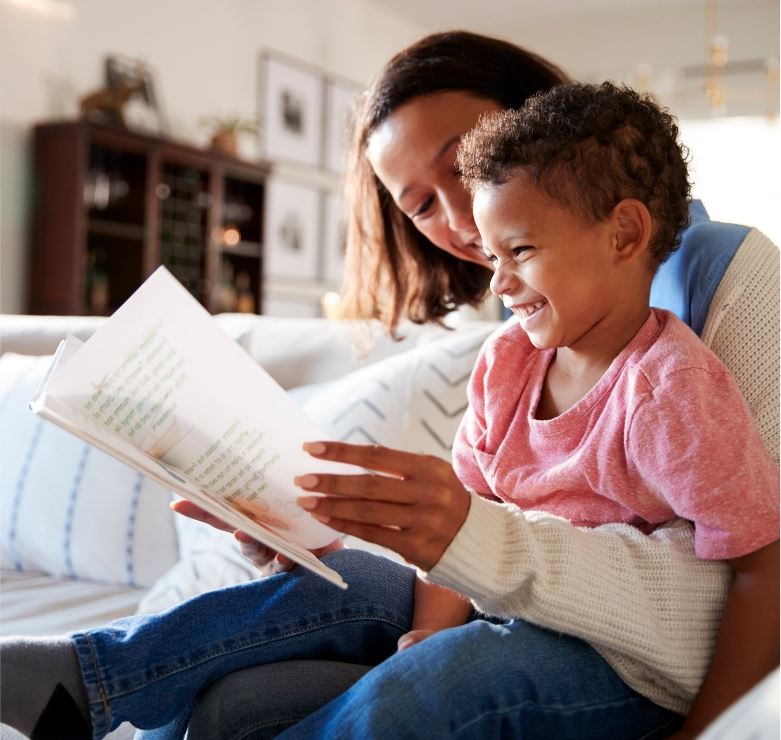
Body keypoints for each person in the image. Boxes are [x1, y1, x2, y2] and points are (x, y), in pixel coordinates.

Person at [0, 32, 776, 740]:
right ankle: (88, 678)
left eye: (464, 160)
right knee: (294, 633)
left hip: (607, 653)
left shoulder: (680, 361)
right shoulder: (510, 355)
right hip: (491, 612)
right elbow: (470, 519)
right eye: (422, 205)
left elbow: (754, 564)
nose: (467, 227)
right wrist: (300, 534)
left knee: (420, 689)